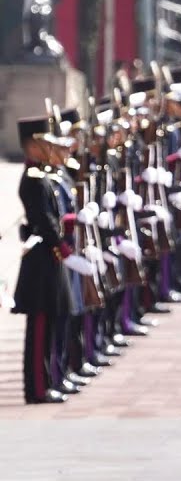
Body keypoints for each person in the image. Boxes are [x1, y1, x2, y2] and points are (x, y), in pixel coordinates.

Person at [13, 116, 76, 403]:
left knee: (49, 325)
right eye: (46, 143)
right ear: (33, 145)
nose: (51, 148)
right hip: (40, 261)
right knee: (40, 330)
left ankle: (48, 381)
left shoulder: (43, 176)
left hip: (46, 260)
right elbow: (45, 221)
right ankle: (38, 388)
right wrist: (63, 247)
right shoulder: (33, 179)